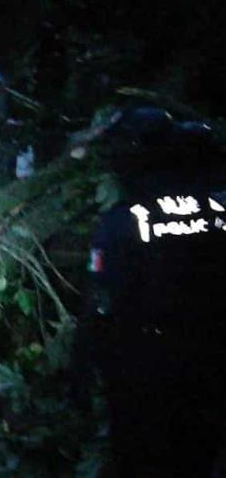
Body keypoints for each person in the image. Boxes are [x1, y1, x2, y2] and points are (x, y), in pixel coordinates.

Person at [71, 107, 226, 476]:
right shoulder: (217, 204)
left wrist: (80, 365)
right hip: (208, 354)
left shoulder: (121, 221)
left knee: (140, 455)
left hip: (141, 363)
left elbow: (101, 300)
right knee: (198, 453)